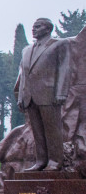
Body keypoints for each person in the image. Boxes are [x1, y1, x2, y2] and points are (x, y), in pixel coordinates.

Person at [14, 18, 71, 171]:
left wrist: (61, 92)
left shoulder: (59, 44)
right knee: (37, 131)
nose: (34, 29)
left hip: (49, 95)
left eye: (38, 27)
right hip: (30, 97)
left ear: (48, 29)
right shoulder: (26, 50)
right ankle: (41, 161)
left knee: (52, 130)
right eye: (33, 27)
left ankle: (55, 162)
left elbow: (64, 69)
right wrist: (21, 96)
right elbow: (24, 74)